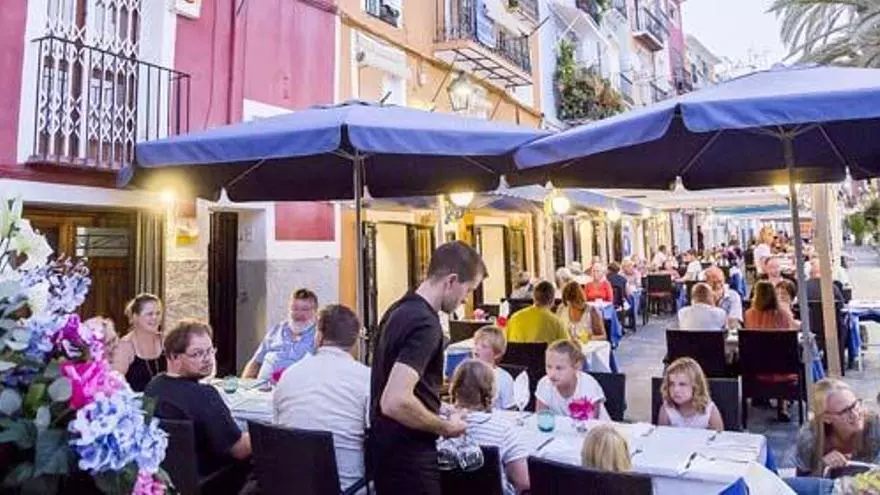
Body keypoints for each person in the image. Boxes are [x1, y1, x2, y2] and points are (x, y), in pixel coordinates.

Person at [369, 241, 485, 495]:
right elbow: (394, 401)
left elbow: (397, 383)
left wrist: (438, 406)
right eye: (468, 289)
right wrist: (446, 428)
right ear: (451, 281)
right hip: (410, 459)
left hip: (384, 453)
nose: (466, 299)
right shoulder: (426, 325)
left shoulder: (396, 310)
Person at [273, 304, 369, 492]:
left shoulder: (289, 375)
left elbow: (278, 429)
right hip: (346, 489)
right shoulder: (367, 379)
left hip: (289, 487)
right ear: (355, 341)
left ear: (319, 335)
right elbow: (380, 437)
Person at [144, 320, 251, 478]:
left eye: (209, 351)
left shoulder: (154, 386)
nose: (207, 359)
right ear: (174, 357)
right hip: (210, 480)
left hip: (163, 479)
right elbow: (239, 450)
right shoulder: (204, 395)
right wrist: (262, 434)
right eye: (197, 354)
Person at [449, 360, 531, 494]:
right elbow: (523, 482)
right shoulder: (503, 430)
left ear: (453, 388)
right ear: (492, 392)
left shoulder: (437, 427)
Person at [794, 379, 880, 477]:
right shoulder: (809, 437)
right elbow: (800, 482)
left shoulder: (875, 427)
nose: (855, 414)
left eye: (855, 404)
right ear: (826, 418)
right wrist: (822, 466)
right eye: (845, 411)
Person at [744, 280, 799, 421]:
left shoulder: (749, 314)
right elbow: (792, 336)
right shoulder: (783, 315)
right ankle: (783, 405)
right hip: (784, 371)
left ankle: (758, 398)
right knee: (782, 357)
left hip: (756, 370)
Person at [242, 288, 319, 380]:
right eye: (294, 308)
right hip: (263, 386)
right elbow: (256, 362)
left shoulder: (320, 336)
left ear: (315, 312)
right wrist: (244, 384)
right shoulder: (277, 330)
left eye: (305, 309)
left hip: (297, 387)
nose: (299, 314)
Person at [535, 340, 610, 420]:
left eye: (559, 368)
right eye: (549, 367)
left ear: (577, 366)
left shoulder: (588, 385)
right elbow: (540, 419)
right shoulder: (544, 384)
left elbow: (592, 422)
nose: (552, 374)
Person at [112, 293, 166, 392]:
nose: (155, 317)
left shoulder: (165, 341)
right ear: (135, 317)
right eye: (149, 314)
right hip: (137, 400)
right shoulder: (124, 346)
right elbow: (115, 383)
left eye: (158, 313)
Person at [657, 358, 724, 431]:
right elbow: (661, 436)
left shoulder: (709, 410)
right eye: (671, 384)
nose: (676, 389)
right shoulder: (667, 409)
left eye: (682, 384)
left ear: (696, 386)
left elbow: (719, 436)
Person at [472, 326, 515, 410]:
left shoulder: (504, 378)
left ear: (497, 354)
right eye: (476, 344)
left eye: (484, 346)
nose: (477, 348)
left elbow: (510, 408)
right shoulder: (467, 372)